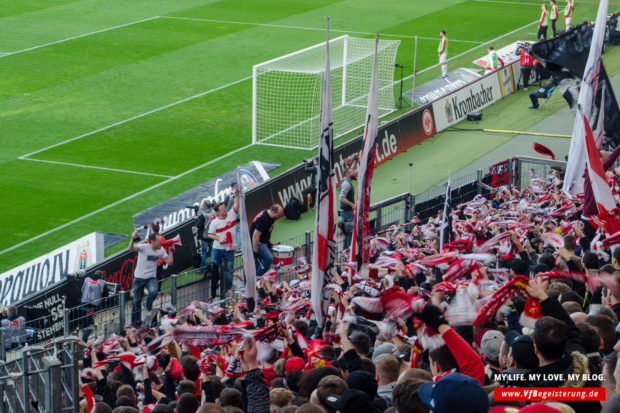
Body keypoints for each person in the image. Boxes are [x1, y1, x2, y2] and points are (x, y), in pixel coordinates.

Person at [129, 231, 174, 324]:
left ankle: (147, 305)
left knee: (154, 292)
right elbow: (131, 248)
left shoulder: (161, 250)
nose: (161, 243)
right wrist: (132, 239)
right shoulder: (143, 247)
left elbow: (170, 262)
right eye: (158, 241)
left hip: (151, 278)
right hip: (138, 278)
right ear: (152, 241)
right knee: (136, 301)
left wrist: (170, 251)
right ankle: (135, 322)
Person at [208, 193, 240, 295]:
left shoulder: (232, 214)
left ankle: (227, 290)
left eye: (224, 208)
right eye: (222, 209)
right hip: (217, 249)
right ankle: (214, 290)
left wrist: (237, 194)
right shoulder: (214, 222)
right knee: (213, 269)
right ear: (217, 212)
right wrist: (219, 239)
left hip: (229, 249)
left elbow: (237, 204)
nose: (225, 210)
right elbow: (210, 234)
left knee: (229, 271)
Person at [250, 205, 284, 277]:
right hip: (257, 241)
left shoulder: (270, 217)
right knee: (268, 258)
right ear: (274, 212)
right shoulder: (264, 219)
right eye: (279, 214)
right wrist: (255, 250)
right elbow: (255, 235)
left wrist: (269, 244)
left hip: (261, 241)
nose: (280, 216)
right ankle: (257, 278)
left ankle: (260, 280)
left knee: (260, 264)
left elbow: (267, 231)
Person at [196, 200, 216, 274]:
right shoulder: (214, 212)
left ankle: (203, 269)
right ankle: (214, 267)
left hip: (205, 237)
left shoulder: (203, 215)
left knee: (204, 254)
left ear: (204, 206)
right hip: (212, 236)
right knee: (213, 253)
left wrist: (196, 219)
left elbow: (198, 225)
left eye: (203, 206)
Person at [339, 168, 356, 250]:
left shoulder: (345, 180)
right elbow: (342, 198)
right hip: (348, 213)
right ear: (348, 175)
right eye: (353, 172)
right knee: (351, 233)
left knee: (348, 234)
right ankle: (349, 253)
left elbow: (349, 170)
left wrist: (355, 160)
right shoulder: (347, 184)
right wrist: (352, 205)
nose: (355, 172)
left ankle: (345, 253)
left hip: (345, 212)